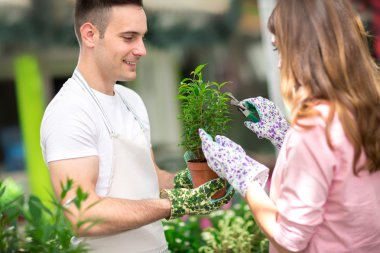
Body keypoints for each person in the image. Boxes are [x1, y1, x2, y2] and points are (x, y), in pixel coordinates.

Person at [40, 1, 233, 252]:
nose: (141, 49)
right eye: (129, 37)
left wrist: (189, 182)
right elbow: (83, 215)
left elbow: (149, 178)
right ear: (90, 35)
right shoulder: (69, 111)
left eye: (142, 37)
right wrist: (174, 205)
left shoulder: (131, 100)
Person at [199, 0, 380, 252]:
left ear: (305, 50)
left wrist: (244, 175)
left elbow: (289, 239)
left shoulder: (316, 126)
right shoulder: (365, 108)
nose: (280, 64)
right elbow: (340, 178)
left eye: (280, 49)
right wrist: (285, 137)